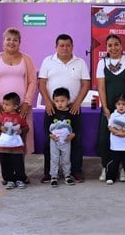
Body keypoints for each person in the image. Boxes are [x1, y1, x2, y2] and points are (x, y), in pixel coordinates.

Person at [38, 34, 90, 183]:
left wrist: (77, 103)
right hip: (52, 108)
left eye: (68, 45)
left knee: (75, 140)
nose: (65, 48)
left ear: (72, 46)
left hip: (73, 109)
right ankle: (49, 172)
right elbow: (41, 83)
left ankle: (76, 171)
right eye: (61, 45)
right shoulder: (48, 61)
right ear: (56, 47)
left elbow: (86, 83)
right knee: (50, 141)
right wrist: (48, 102)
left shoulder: (80, 62)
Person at [0, 27, 37, 158]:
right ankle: (6, 174)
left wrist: (26, 102)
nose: (11, 42)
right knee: (3, 138)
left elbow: (32, 81)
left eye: (15, 40)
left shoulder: (27, 59)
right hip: (1, 107)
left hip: (22, 107)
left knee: (21, 136)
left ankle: (20, 172)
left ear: (20, 43)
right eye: (8, 39)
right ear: (3, 41)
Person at [96, 34, 125, 182]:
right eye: (110, 45)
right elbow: (101, 88)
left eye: (116, 44)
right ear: (106, 47)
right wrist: (105, 109)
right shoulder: (102, 63)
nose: (113, 48)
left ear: (121, 46)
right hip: (110, 109)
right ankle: (107, 167)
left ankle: (123, 169)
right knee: (105, 139)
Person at [0, 92, 29, 190]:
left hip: (17, 148)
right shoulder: (0, 116)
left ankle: (20, 180)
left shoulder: (20, 117)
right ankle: (9, 180)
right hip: (3, 147)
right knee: (5, 165)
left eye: (7, 105)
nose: (4, 106)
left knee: (18, 164)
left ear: (15, 106)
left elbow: (26, 127)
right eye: (4, 104)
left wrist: (21, 130)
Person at [45, 88, 77, 187]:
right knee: (54, 158)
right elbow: (46, 126)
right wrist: (50, 135)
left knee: (66, 159)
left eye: (62, 101)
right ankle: (53, 176)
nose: (60, 103)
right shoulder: (51, 112)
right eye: (57, 101)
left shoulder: (72, 112)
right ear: (53, 101)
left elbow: (77, 126)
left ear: (68, 100)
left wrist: (72, 135)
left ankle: (67, 175)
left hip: (67, 141)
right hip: (54, 141)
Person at [105, 94, 125, 186]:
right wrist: (118, 133)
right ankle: (110, 177)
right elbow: (110, 127)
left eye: (123, 104)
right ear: (115, 105)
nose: (121, 106)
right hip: (116, 145)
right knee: (114, 163)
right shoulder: (113, 115)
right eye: (119, 104)